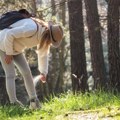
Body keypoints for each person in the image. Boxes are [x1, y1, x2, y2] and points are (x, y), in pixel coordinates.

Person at [0, 10, 63, 109]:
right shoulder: (32, 29)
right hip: (3, 43)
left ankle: (34, 101)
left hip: (15, 48)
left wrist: (43, 72)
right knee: (10, 74)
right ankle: (13, 104)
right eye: (51, 42)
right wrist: (8, 53)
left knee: (26, 72)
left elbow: (43, 53)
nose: (50, 44)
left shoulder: (43, 35)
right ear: (49, 36)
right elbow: (9, 34)